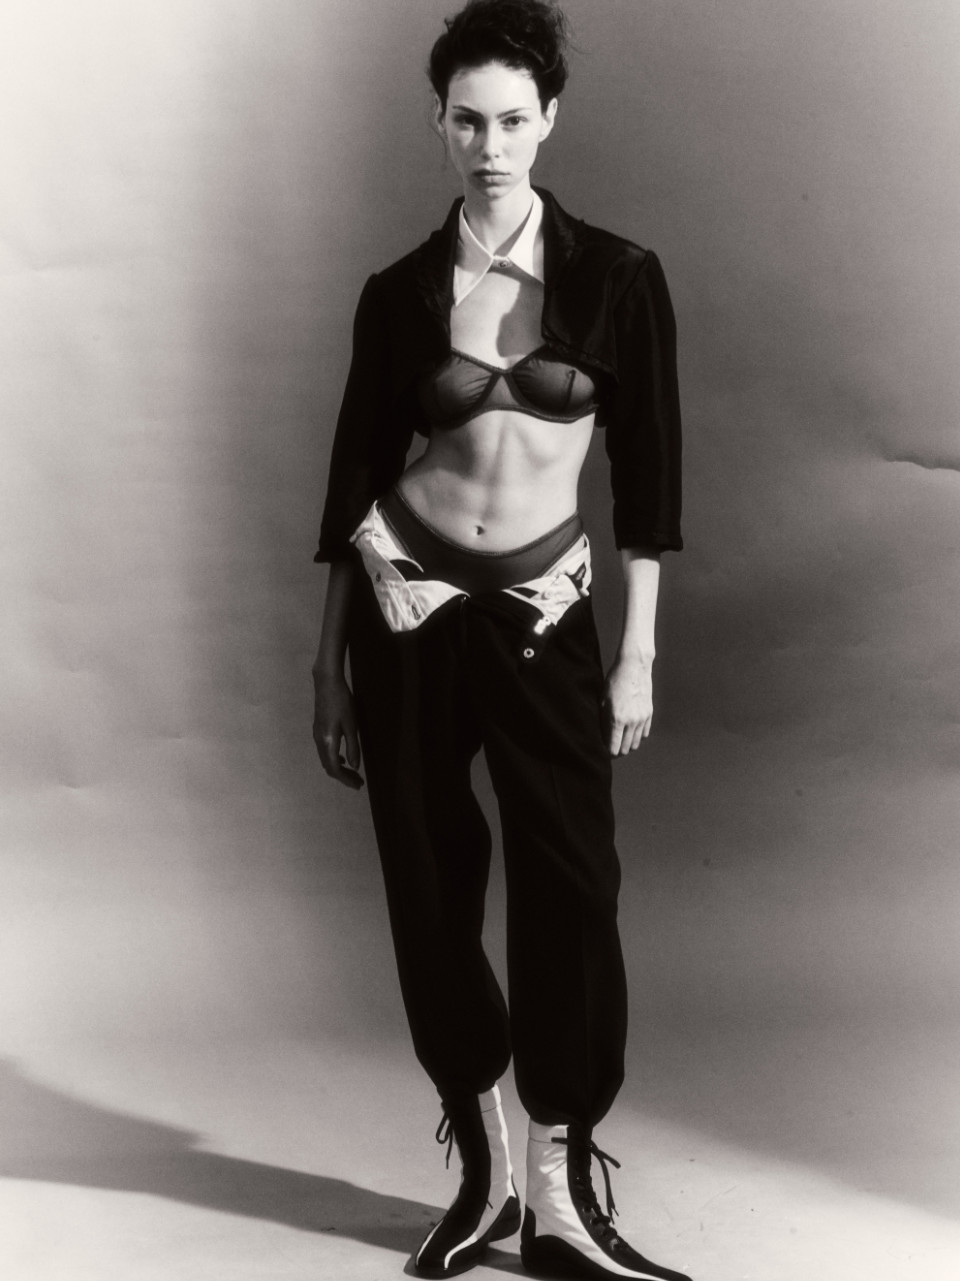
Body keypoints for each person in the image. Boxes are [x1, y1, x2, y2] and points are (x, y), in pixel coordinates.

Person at [312, 3, 689, 1278]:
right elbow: (356, 475)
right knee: (428, 881)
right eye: (467, 121)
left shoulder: (616, 278)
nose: (490, 146)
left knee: (572, 883)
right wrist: (327, 666)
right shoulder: (400, 295)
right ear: (438, 122)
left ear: (550, 120)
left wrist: (636, 655)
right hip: (407, 603)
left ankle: (562, 1192)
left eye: (513, 120)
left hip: (546, 612)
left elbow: (650, 485)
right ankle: (482, 1172)